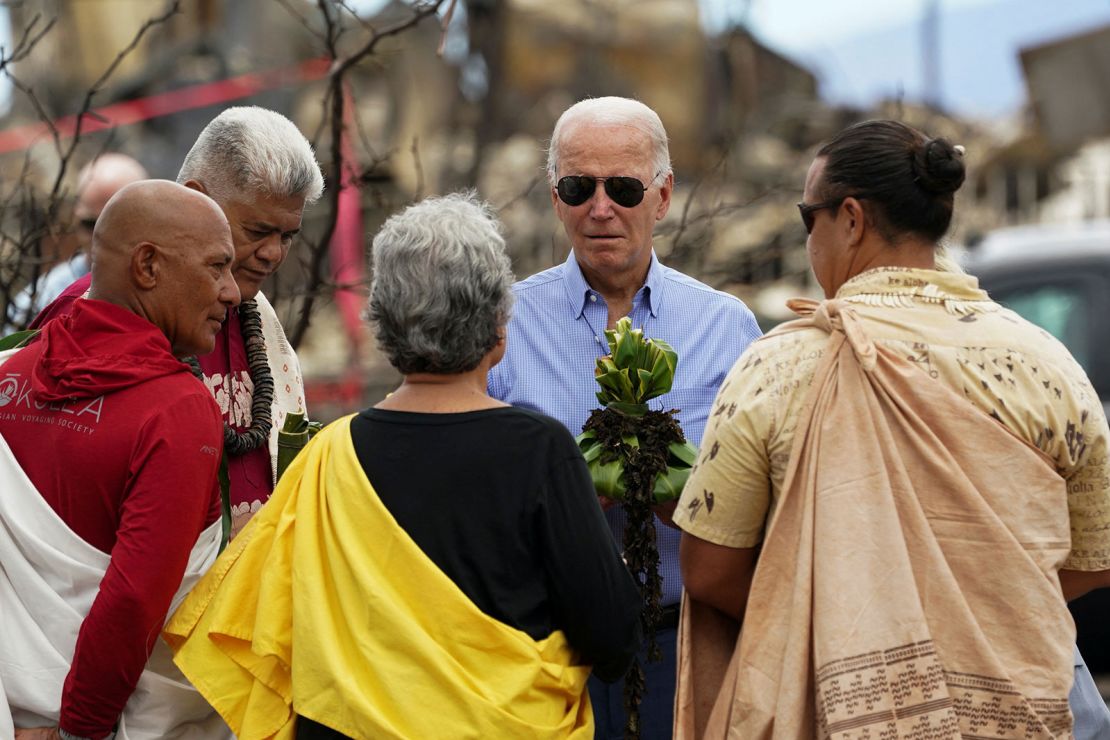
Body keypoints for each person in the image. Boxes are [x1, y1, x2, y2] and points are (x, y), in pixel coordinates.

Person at [674, 120, 1110, 738]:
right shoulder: (1047, 364)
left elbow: (710, 568)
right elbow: (1096, 557)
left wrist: (848, 620)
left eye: (808, 218)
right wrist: (982, 611)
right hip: (1021, 703)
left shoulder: (780, 368)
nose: (807, 239)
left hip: (840, 708)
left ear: (849, 218)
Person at [164, 192, 643, 739]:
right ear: (498, 326)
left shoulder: (327, 458)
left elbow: (263, 630)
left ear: (382, 327)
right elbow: (611, 636)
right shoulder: (541, 452)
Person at [487, 96, 762, 738]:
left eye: (625, 188)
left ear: (662, 197)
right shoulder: (504, 327)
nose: (601, 208)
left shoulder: (727, 330)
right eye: (579, 187)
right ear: (556, 197)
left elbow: (770, 502)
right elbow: (476, 493)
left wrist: (691, 503)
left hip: (686, 643)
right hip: (547, 654)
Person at [0, 180, 240, 739]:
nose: (232, 291)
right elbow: (134, 602)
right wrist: (80, 729)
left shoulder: (7, 378)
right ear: (148, 266)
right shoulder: (176, 411)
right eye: (216, 267)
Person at [31, 107, 325, 537]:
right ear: (196, 198)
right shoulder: (88, 317)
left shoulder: (253, 312)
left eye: (287, 236)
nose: (274, 254)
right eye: (258, 231)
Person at [3, 153, 147, 332]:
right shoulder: (45, 299)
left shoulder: (168, 294)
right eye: (90, 224)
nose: (100, 237)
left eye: (116, 226)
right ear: (75, 217)